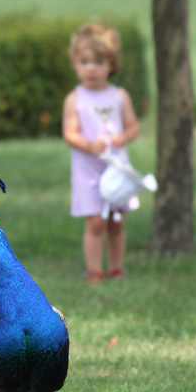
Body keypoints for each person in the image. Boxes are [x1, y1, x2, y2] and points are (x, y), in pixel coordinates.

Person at [62, 23, 139, 283]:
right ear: (75, 63)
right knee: (95, 221)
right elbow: (70, 133)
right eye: (84, 61)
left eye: (98, 61)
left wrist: (120, 138)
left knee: (116, 220)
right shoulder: (75, 98)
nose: (91, 68)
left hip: (115, 169)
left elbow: (133, 127)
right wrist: (89, 145)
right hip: (88, 170)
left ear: (111, 64)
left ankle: (116, 267)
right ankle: (94, 270)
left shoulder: (119, 96)